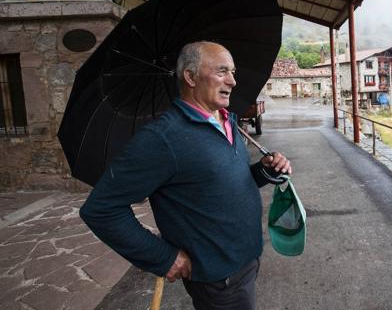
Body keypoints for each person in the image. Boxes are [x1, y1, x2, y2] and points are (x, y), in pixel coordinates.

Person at [80, 41, 292, 310]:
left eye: (233, 72)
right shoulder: (162, 138)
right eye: (222, 71)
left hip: (246, 259)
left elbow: (225, 183)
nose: (233, 81)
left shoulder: (227, 120)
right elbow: (101, 209)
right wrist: (165, 257)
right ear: (190, 77)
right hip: (220, 279)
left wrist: (263, 170)